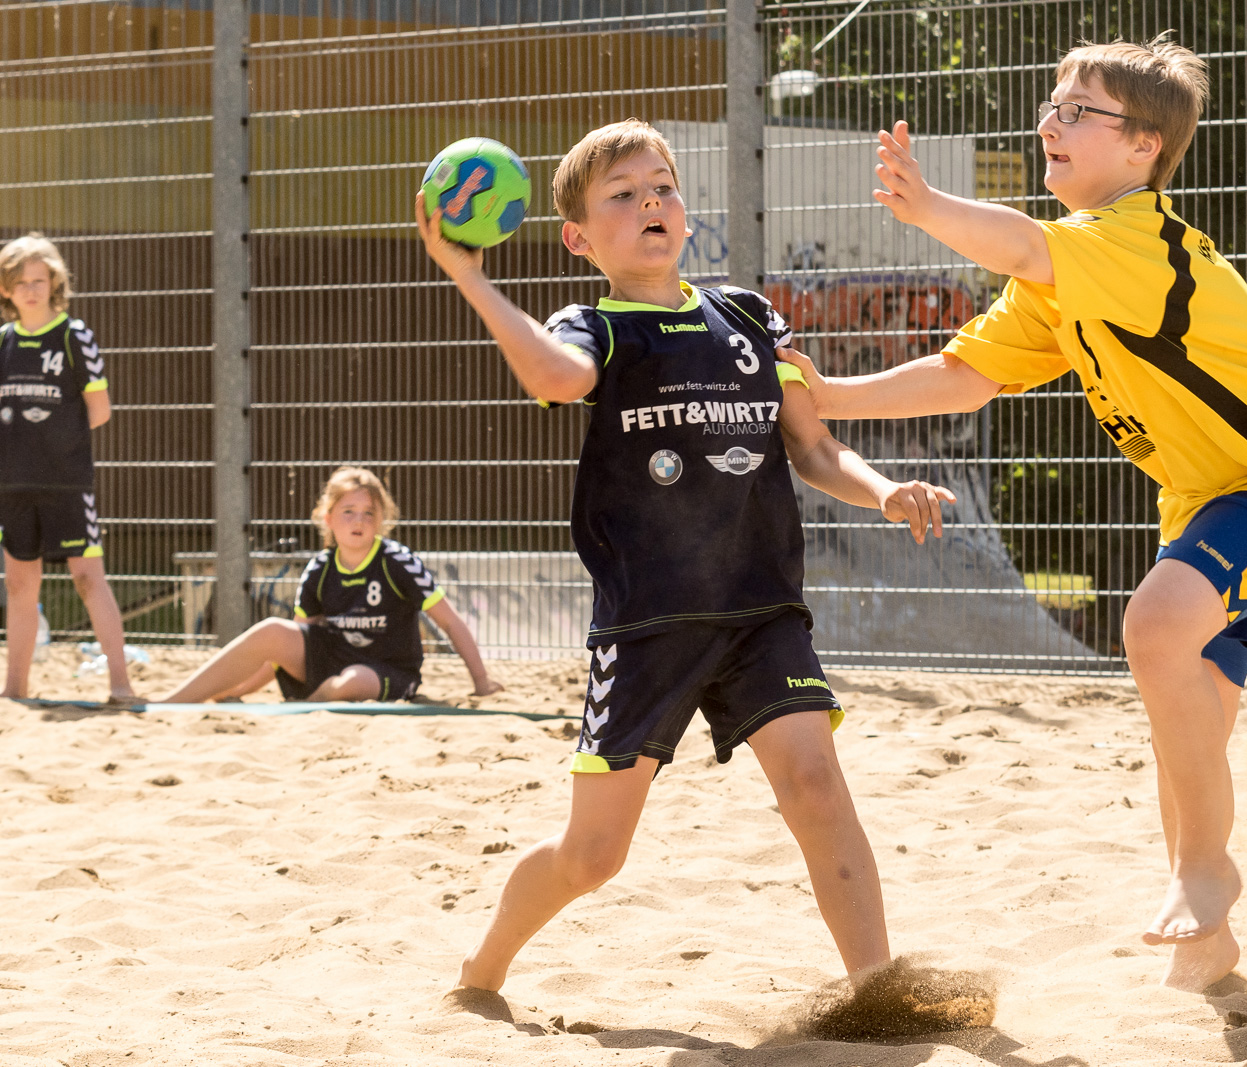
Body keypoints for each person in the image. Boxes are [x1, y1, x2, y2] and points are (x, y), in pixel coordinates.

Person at [780, 36, 1247, 991]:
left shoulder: (1134, 243)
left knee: (1152, 624)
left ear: (1143, 147)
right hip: (1210, 506)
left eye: (1076, 111)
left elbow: (1020, 241)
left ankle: (1201, 869)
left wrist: (929, 205)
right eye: (1051, 104)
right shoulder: (1062, 277)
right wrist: (832, 396)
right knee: (1185, 724)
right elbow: (966, 374)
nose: (1049, 122)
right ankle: (1208, 946)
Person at [415, 119, 955, 995]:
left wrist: (884, 489)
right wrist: (469, 274)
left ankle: (878, 992)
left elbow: (813, 450)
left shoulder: (747, 315)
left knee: (815, 782)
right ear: (579, 237)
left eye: (660, 186)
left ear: (687, 208)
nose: (649, 203)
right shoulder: (592, 325)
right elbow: (555, 378)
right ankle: (482, 970)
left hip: (760, 610)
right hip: (649, 623)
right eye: (621, 195)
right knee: (593, 855)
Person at [158, 466, 503, 703]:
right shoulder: (320, 568)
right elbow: (288, 647)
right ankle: (175, 699)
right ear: (328, 518)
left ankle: (310, 701)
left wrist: (481, 682)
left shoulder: (397, 561)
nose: (359, 520)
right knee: (272, 631)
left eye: (369, 512)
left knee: (353, 682)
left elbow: (450, 621)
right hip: (331, 660)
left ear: (382, 520)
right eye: (348, 511)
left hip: (387, 671)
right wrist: (242, 690)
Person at [0, 233, 137, 703]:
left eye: (39, 280)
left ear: (54, 282)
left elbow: (99, 410)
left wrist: (56, 442)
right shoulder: (4, 342)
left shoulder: (73, 334)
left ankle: (120, 685)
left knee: (86, 577)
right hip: (13, 484)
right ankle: (14, 691)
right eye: (21, 283)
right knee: (19, 583)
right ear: (7, 290)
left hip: (65, 481)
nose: (31, 290)